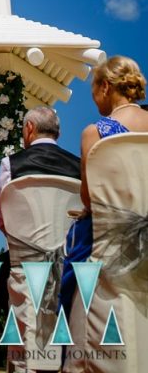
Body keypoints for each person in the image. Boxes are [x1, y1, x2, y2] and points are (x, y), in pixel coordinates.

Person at [60, 55, 148, 315]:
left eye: (93, 90)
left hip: (114, 242)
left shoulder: (95, 133)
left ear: (105, 87)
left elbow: (89, 199)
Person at [0, 104, 80, 232]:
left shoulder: (10, 164)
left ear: (29, 127)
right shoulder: (80, 165)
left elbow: (2, 217)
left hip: (26, 248)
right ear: (58, 133)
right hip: (70, 248)